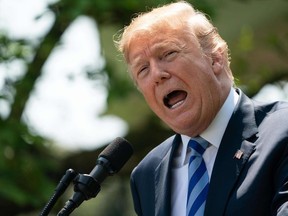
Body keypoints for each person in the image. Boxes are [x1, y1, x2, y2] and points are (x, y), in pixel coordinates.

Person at [114, 1, 288, 216]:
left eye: (168, 54)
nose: (157, 74)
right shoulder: (146, 175)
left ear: (216, 58)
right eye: (143, 69)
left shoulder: (282, 130)